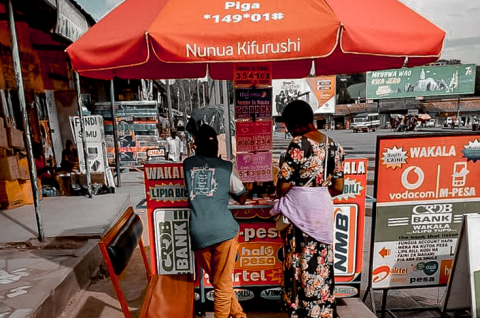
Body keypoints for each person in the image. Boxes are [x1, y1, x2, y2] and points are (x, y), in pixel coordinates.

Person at [276, 100, 345, 318]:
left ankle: (300, 311)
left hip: (300, 219)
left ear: (295, 124)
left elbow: (283, 186)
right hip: (322, 216)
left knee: (298, 264)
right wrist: (316, 194)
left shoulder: (299, 144)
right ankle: (320, 312)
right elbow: (338, 187)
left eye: (288, 126)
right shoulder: (334, 146)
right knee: (320, 263)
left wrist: (300, 194)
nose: (288, 131)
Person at [183, 124, 247, 318]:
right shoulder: (225, 167)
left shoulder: (186, 164)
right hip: (224, 232)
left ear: (195, 145)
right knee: (223, 285)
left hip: (198, 234)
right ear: (216, 145)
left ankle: (239, 315)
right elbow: (242, 196)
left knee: (220, 281)